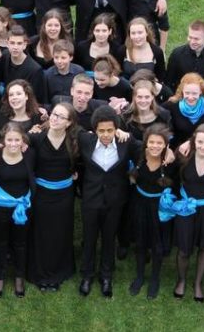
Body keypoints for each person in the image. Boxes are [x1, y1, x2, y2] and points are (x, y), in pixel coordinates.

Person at [76, 106, 140, 298]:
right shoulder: (84, 140)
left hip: (115, 200)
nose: (105, 135)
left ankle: (106, 276)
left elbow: (149, 149)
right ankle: (87, 275)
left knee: (109, 238)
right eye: (101, 130)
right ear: (94, 129)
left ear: (116, 129)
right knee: (89, 238)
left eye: (110, 130)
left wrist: (168, 151)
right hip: (91, 199)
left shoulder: (126, 142)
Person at [167, 124, 204, 303]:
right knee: (184, 248)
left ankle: (198, 283)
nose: (203, 146)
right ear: (193, 141)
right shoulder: (183, 156)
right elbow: (169, 169)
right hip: (186, 207)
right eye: (200, 142)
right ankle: (181, 280)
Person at [25, 102, 80, 291]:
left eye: (60, 116)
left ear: (69, 122)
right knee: (41, 233)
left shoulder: (75, 140)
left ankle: (58, 273)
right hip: (41, 195)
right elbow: (13, 141)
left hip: (64, 196)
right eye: (54, 114)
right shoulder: (36, 138)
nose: (55, 119)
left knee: (60, 233)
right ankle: (41, 274)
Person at [129, 124, 177, 299]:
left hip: (159, 207)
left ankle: (155, 278)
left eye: (159, 143)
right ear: (145, 142)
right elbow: (124, 136)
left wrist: (172, 153)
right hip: (140, 203)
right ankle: (140, 276)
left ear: (166, 144)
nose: (155, 146)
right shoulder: (138, 154)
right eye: (151, 142)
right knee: (140, 241)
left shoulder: (170, 162)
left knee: (157, 244)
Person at [0, 123, 36, 298]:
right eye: (9, 140)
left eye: (17, 140)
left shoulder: (30, 154)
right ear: (3, 140)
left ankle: (19, 276)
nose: (13, 143)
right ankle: (0, 276)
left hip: (22, 208)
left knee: (20, 243)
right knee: (1, 242)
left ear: (23, 140)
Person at [165, 20, 204, 91]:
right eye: (190, 37)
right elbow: (169, 81)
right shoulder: (177, 54)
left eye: (196, 39)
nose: (192, 41)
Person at [163, 73, 204, 150]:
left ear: (201, 91)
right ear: (182, 91)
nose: (190, 97)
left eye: (194, 93)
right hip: (179, 150)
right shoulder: (173, 105)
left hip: (203, 149)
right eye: (187, 93)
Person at [0, 25, 46, 101]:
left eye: (19, 43)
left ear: (25, 45)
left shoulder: (35, 70)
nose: (15, 47)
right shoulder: (4, 57)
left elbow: (36, 98)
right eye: (12, 43)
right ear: (7, 43)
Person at [120, 17, 166, 81]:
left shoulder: (157, 52)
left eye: (140, 33)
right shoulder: (122, 51)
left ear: (147, 33)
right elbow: (117, 75)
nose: (137, 37)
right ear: (129, 35)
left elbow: (161, 77)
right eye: (133, 33)